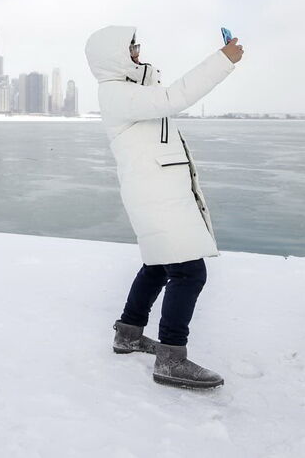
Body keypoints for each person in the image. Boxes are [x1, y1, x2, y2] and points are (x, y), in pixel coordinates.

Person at [85, 26, 243, 389]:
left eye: (136, 46)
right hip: (154, 195)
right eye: (131, 48)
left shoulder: (136, 90)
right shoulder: (117, 93)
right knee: (189, 273)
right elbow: (174, 98)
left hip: (159, 191)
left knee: (157, 265)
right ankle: (172, 358)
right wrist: (222, 60)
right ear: (115, 57)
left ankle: (128, 333)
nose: (138, 52)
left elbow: (164, 101)